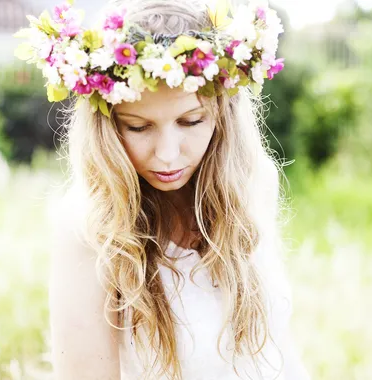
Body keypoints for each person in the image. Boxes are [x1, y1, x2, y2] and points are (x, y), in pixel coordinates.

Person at [16, 0, 311, 378]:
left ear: (223, 114)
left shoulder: (253, 183)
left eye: (190, 121)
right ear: (106, 126)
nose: (168, 156)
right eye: (138, 127)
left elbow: (277, 349)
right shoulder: (87, 226)